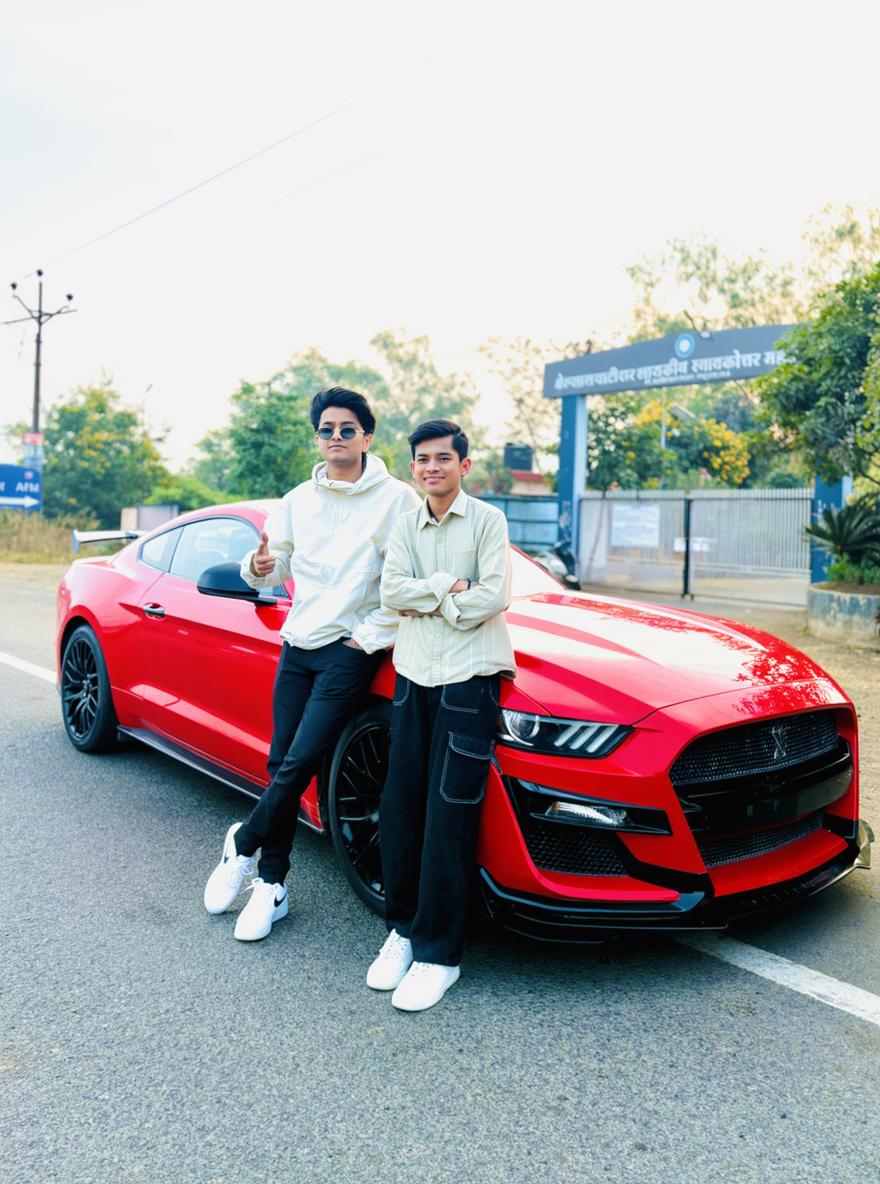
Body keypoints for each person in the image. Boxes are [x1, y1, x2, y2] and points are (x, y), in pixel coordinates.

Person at [203, 387, 420, 940]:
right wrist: (259, 568)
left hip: (349, 650)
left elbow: (403, 583)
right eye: (326, 429)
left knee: (300, 761)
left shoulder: (399, 500)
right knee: (283, 763)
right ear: (317, 437)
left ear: (367, 437)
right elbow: (276, 572)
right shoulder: (297, 498)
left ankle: (243, 842)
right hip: (298, 646)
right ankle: (271, 885)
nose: (336, 438)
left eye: (348, 429)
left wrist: (368, 638)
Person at [366, 419, 515, 1011]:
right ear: (414, 468)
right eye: (423, 459)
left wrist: (439, 601)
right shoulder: (406, 525)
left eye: (443, 459)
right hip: (412, 680)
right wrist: (450, 588)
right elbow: (390, 593)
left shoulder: (488, 521)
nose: (433, 467)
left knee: (449, 818)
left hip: (467, 683)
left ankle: (438, 955)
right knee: (400, 809)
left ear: (464, 465)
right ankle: (402, 931)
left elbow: (494, 595)